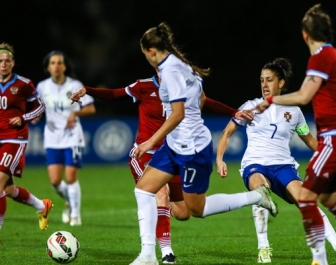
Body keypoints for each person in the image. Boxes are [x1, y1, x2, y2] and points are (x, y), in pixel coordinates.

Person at [125, 22, 277, 265]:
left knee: (196, 209)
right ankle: (147, 255)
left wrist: (149, 142)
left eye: (145, 54)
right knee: (144, 189)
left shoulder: (172, 71)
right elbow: (202, 98)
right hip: (175, 145)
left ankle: (256, 197)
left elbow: (178, 114)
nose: (146, 59)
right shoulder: (181, 65)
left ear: (151, 52)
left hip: (192, 150)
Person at [254, 4, 336, 265]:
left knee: (304, 196)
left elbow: (304, 96)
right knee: (328, 197)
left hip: (334, 138)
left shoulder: (321, 58)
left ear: (305, 35)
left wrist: (271, 102)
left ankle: (319, 260)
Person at [70, 76, 242, 264]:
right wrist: (89, 90)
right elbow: (113, 94)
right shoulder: (143, 86)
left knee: (183, 213)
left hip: (172, 153)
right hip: (145, 154)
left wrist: (234, 112)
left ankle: (158, 216)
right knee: (161, 193)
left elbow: (205, 101)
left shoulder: (180, 85)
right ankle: (165, 253)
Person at [217, 57, 336, 264]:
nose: (264, 84)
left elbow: (309, 139)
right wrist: (219, 159)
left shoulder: (294, 112)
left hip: (283, 166)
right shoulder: (250, 107)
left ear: (280, 83)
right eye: (262, 80)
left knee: (305, 200)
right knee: (260, 192)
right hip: (255, 165)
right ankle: (263, 249)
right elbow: (226, 133)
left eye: (269, 80)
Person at [33, 50, 96, 227]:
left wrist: (75, 112)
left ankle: (75, 215)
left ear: (65, 66)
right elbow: (36, 108)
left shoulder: (75, 85)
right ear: (48, 67)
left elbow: (91, 108)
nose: (56, 66)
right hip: (52, 137)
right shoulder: (42, 87)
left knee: (70, 178)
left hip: (72, 137)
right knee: (54, 182)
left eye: (59, 62)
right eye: (52, 63)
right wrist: (35, 116)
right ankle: (70, 201)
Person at [0, 42, 53, 232]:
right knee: (8, 191)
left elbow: (40, 107)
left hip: (14, 138)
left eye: (7, 61)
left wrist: (23, 118)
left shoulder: (23, 84)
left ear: (13, 63)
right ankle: (42, 206)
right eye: (0, 61)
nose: (3, 64)